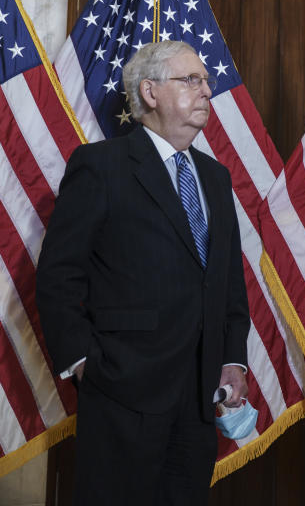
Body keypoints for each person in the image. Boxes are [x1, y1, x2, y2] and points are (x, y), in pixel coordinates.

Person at [36, 41, 251, 505]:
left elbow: (227, 281)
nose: (206, 91)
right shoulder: (101, 166)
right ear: (149, 92)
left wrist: (234, 358)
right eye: (190, 80)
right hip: (121, 395)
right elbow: (58, 275)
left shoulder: (215, 176)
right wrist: (84, 364)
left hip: (199, 403)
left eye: (206, 81)